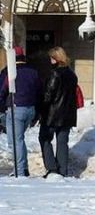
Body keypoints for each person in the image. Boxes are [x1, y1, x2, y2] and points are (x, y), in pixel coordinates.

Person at [0, 46, 42, 177]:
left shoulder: (9, 73)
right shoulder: (34, 72)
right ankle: (24, 167)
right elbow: (39, 91)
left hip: (15, 108)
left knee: (15, 141)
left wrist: (1, 108)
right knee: (19, 139)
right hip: (30, 109)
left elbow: (2, 91)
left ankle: (20, 170)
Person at [39, 46, 77, 178]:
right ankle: (62, 170)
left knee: (44, 139)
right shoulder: (72, 74)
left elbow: (48, 95)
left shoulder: (55, 74)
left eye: (51, 57)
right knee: (62, 142)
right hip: (67, 114)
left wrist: (41, 111)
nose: (50, 60)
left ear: (56, 59)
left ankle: (51, 168)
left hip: (52, 114)